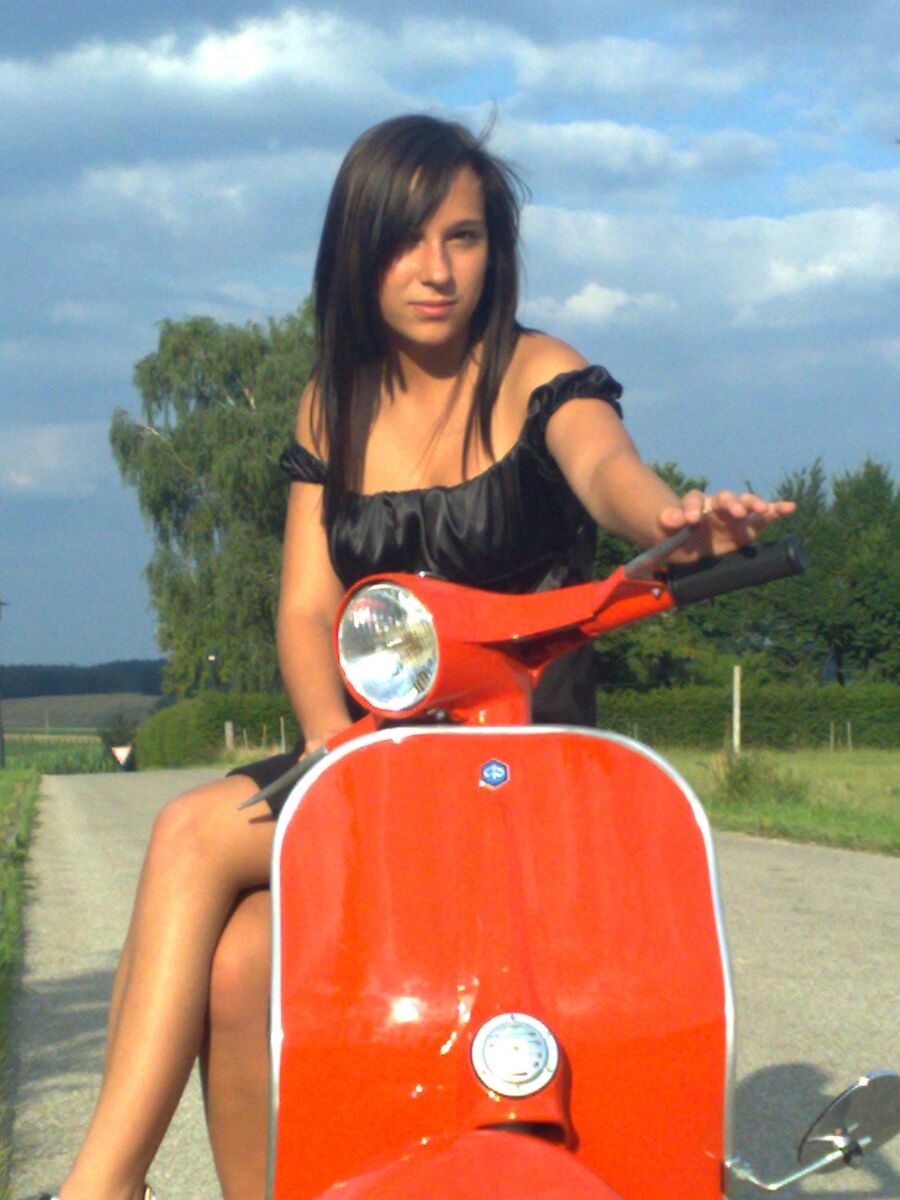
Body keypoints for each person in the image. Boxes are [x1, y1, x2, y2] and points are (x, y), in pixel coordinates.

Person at [44, 114, 794, 1200]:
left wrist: (672, 524)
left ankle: (101, 1186)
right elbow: (306, 608)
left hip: (521, 763)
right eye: (405, 240)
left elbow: (609, 475)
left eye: (464, 238)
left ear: (497, 249)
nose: (436, 271)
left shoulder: (542, 372)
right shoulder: (332, 402)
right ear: (357, 251)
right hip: (376, 759)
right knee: (243, 959)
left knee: (187, 831)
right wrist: (331, 749)